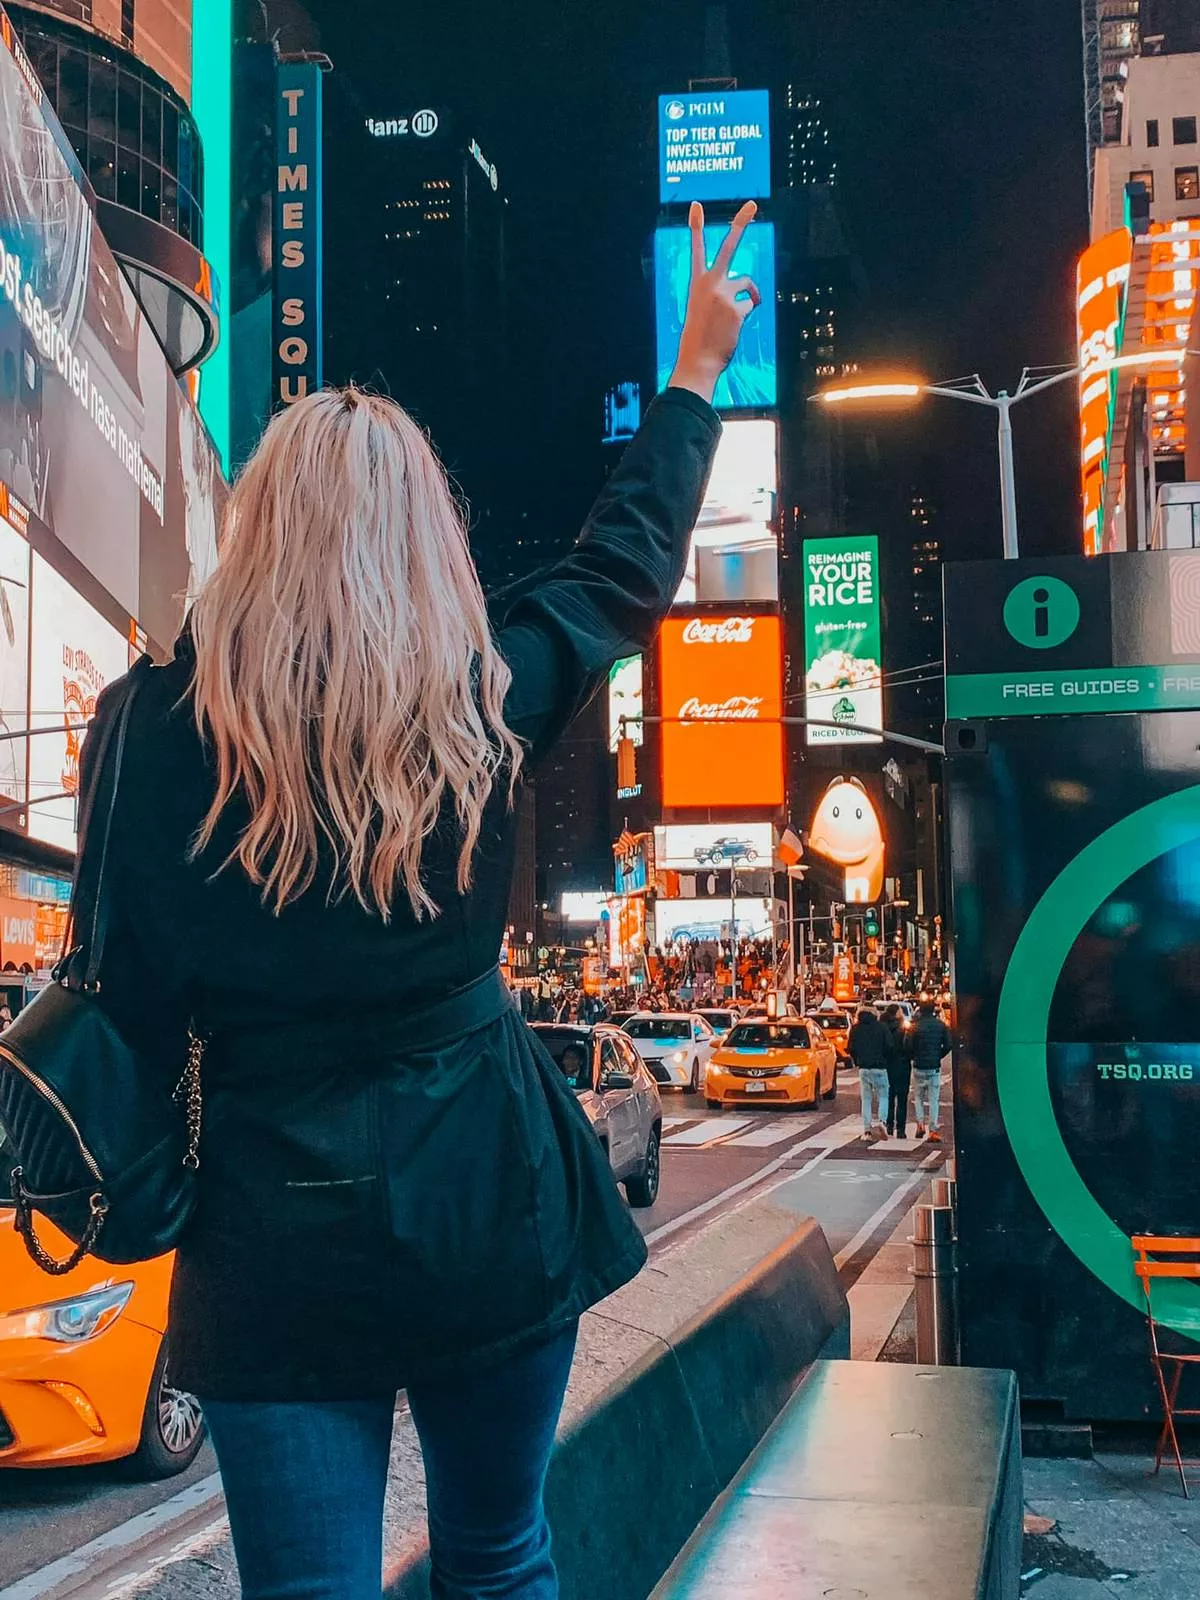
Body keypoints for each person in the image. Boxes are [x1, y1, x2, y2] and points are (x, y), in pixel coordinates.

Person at [78, 198, 759, 1600]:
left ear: (255, 532)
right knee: (502, 1558)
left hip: (269, 1235)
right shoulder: (475, 700)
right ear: (422, 540)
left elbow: (121, 998)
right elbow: (621, 570)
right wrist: (692, 374)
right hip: (488, 1208)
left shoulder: (145, 729)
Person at [911, 999, 953, 1141]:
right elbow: (948, 1044)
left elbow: (907, 1045)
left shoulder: (915, 1026)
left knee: (918, 1097)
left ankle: (920, 1123)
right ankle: (933, 1129)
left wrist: (914, 1056)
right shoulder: (941, 1026)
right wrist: (938, 1055)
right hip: (934, 1067)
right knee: (934, 1099)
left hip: (918, 1066)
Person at [848, 1004, 890, 1145]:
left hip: (864, 1067)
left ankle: (866, 1129)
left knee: (866, 1099)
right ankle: (882, 1121)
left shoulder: (855, 1029)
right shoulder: (882, 1027)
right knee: (883, 1096)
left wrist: (858, 1059)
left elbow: (851, 1048)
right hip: (880, 1067)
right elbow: (890, 1046)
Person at [882, 1003, 911, 1140]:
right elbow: (910, 1047)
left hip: (887, 1065)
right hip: (903, 1065)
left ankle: (888, 1125)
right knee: (902, 1099)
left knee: (889, 1097)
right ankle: (901, 1129)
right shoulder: (904, 1029)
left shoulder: (883, 1028)